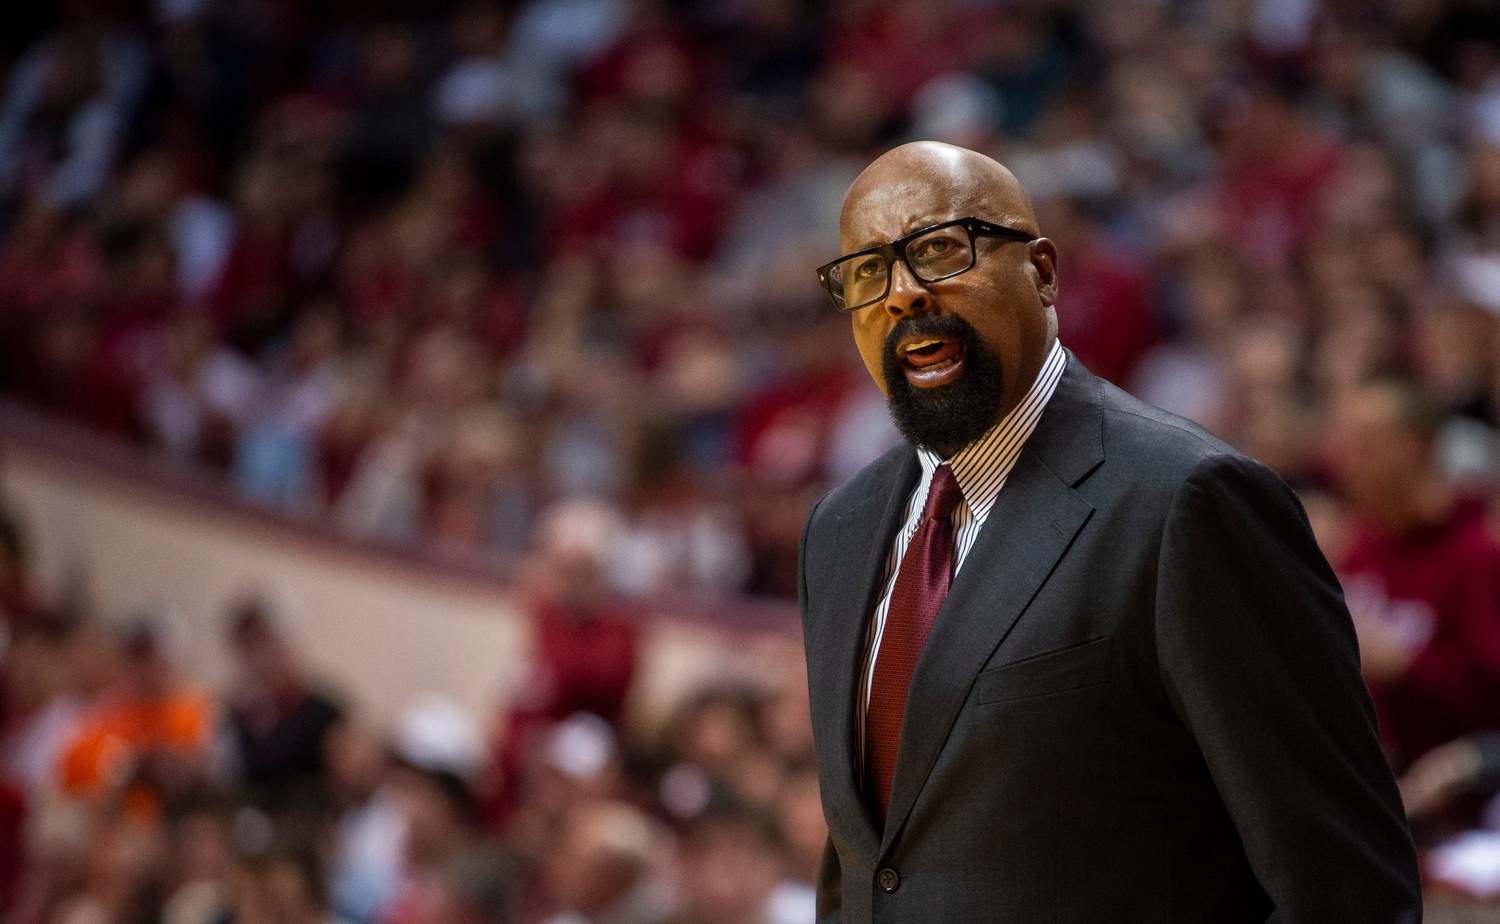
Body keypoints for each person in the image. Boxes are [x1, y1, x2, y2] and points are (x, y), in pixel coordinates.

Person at [797, 141, 1420, 921]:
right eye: (867, 272)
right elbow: (865, 864)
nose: (903, 295)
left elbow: (1346, 886)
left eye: (938, 250)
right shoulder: (839, 530)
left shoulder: (1189, 503)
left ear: (1044, 271)